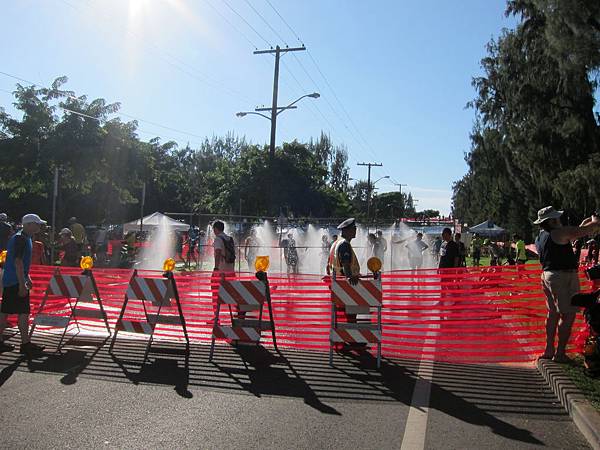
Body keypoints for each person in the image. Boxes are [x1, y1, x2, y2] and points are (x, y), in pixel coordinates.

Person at [534, 206, 600, 362]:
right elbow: (584, 231)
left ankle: (549, 350)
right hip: (562, 277)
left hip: (548, 276)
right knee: (568, 314)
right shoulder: (558, 233)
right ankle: (560, 353)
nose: (560, 220)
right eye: (557, 218)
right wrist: (596, 221)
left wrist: (590, 220)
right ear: (551, 221)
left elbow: (578, 229)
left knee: (552, 314)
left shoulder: (542, 236)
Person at [0, 214, 46, 356]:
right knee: (21, 313)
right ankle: (25, 344)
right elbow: (18, 262)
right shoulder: (22, 239)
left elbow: (20, 263)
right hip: (15, 281)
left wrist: (28, 278)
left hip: (12, 280)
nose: (39, 227)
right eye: (37, 224)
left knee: (7, 312)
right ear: (29, 224)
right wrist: (22, 284)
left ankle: (23, 343)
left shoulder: (23, 238)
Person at [328, 218, 361, 324]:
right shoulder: (344, 244)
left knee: (343, 314)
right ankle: (352, 338)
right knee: (351, 314)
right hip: (346, 285)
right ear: (346, 230)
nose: (355, 230)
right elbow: (345, 263)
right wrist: (350, 277)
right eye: (353, 228)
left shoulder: (335, 243)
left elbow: (327, 266)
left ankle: (344, 336)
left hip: (338, 283)